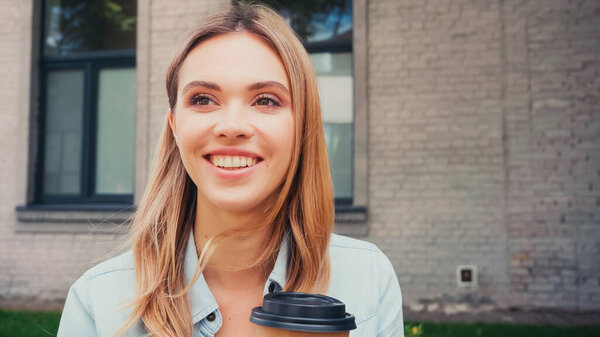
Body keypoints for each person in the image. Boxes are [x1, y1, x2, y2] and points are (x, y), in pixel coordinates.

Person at [57, 3, 404, 337]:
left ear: (302, 125)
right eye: (203, 99)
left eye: (265, 100)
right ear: (175, 126)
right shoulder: (98, 303)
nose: (232, 126)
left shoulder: (368, 280)